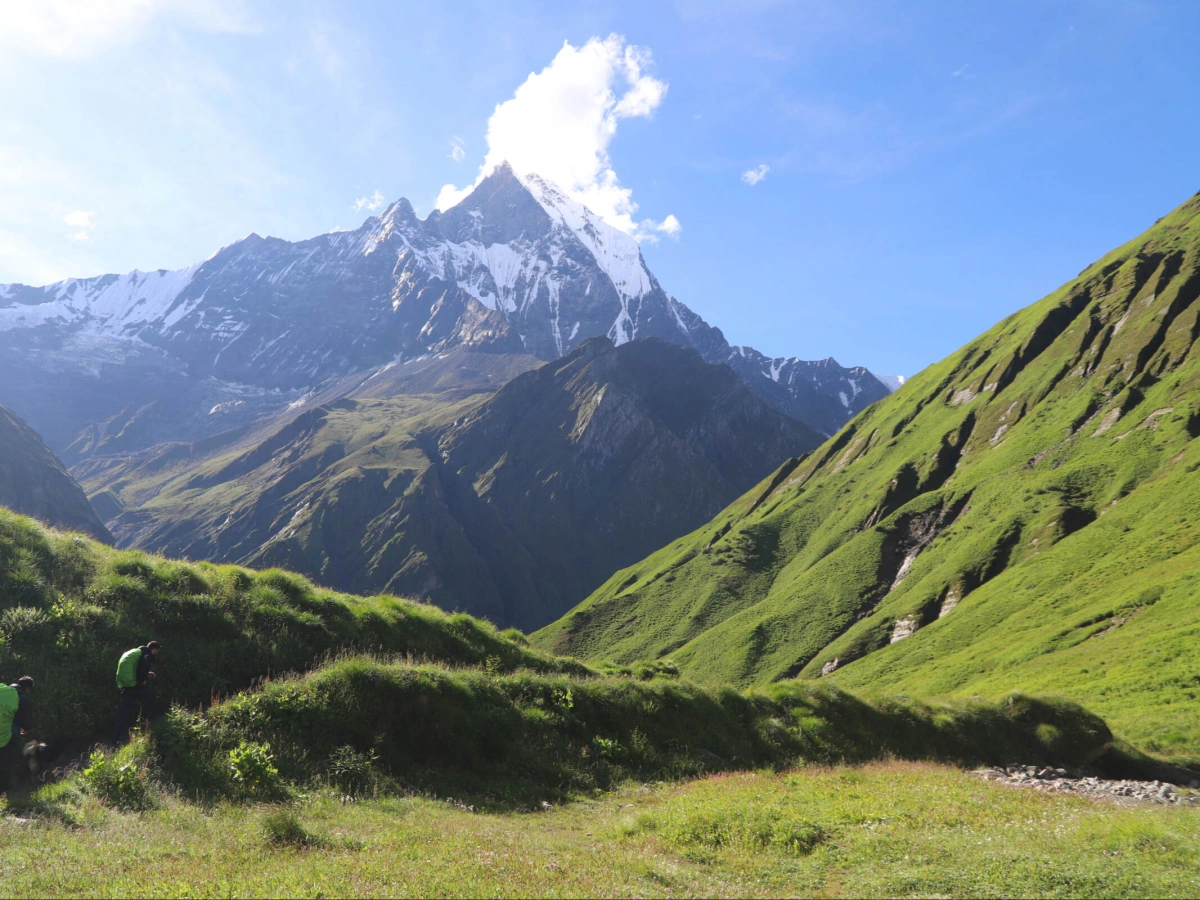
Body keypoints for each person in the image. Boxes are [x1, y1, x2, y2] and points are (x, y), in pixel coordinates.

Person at [113, 641, 162, 744]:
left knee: (125, 710)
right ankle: (153, 725)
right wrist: (142, 680)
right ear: (154, 649)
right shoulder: (147, 654)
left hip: (125, 684)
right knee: (151, 697)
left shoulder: (136, 652)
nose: (155, 654)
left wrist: (147, 674)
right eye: (156, 652)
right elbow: (143, 668)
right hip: (133, 684)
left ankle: (116, 736)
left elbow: (137, 667)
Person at [0, 675, 33, 796]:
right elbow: (27, 718)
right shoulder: (22, 697)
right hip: (9, 733)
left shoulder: (3, 690)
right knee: (10, 760)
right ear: (28, 688)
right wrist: (27, 728)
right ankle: (9, 790)